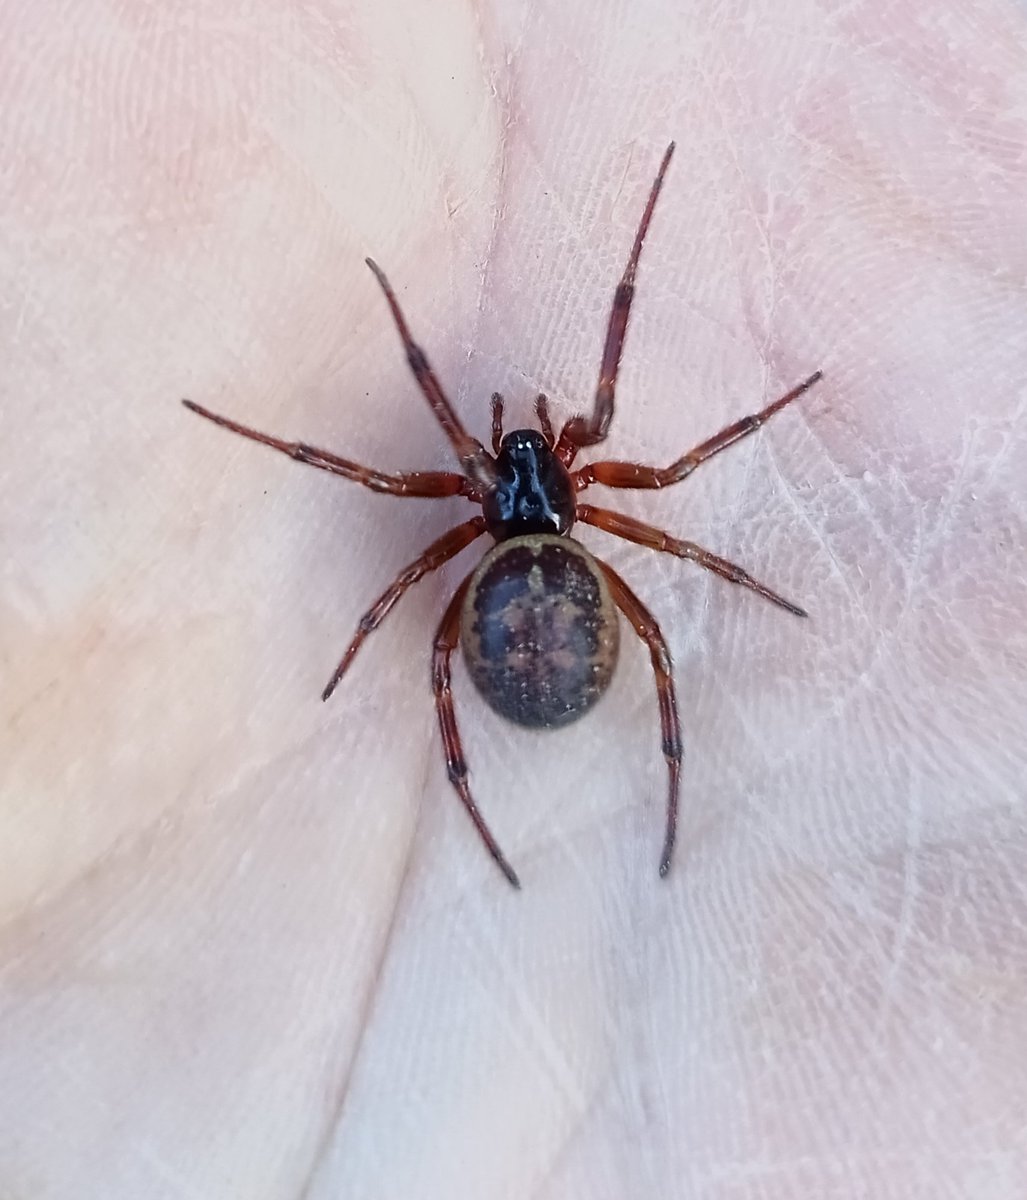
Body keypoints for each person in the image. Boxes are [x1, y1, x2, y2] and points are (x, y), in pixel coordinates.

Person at [1, 3, 1023, 1196]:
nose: (528, 451)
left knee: (460, 638)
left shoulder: (474, 504)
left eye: (511, 455)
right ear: (543, 468)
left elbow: (399, 541)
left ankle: (536, 802)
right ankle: (528, 804)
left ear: (502, 468)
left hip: (512, 610)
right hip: (549, 611)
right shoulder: (581, 493)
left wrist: (415, 339)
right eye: (527, 453)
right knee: (615, 612)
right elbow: (653, 463)